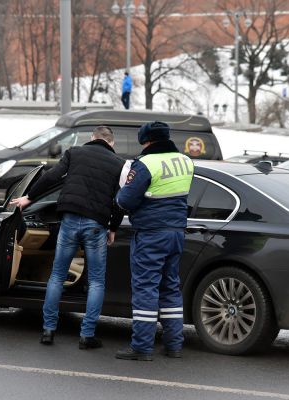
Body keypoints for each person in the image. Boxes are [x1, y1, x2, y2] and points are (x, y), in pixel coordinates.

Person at [10, 126, 125, 350]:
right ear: (111, 143)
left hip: (70, 219)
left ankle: (48, 330)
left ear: (92, 139)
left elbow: (51, 176)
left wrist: (29, 198)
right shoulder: (118, 163)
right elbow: (119, 200)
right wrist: (113, 227)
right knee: (96, 281)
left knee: (57, 275)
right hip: (96, 224)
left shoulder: (75, 153)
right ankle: (87, 335)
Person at [115, 121, 194, 361]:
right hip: (176, 232)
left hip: (151, 234)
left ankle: (141, 347)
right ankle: (173, 345)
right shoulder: (185, 161)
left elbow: (125, 201)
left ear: (146, 141)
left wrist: (121, 191)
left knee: (145, 288)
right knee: (170, 287)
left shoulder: (145, 164)